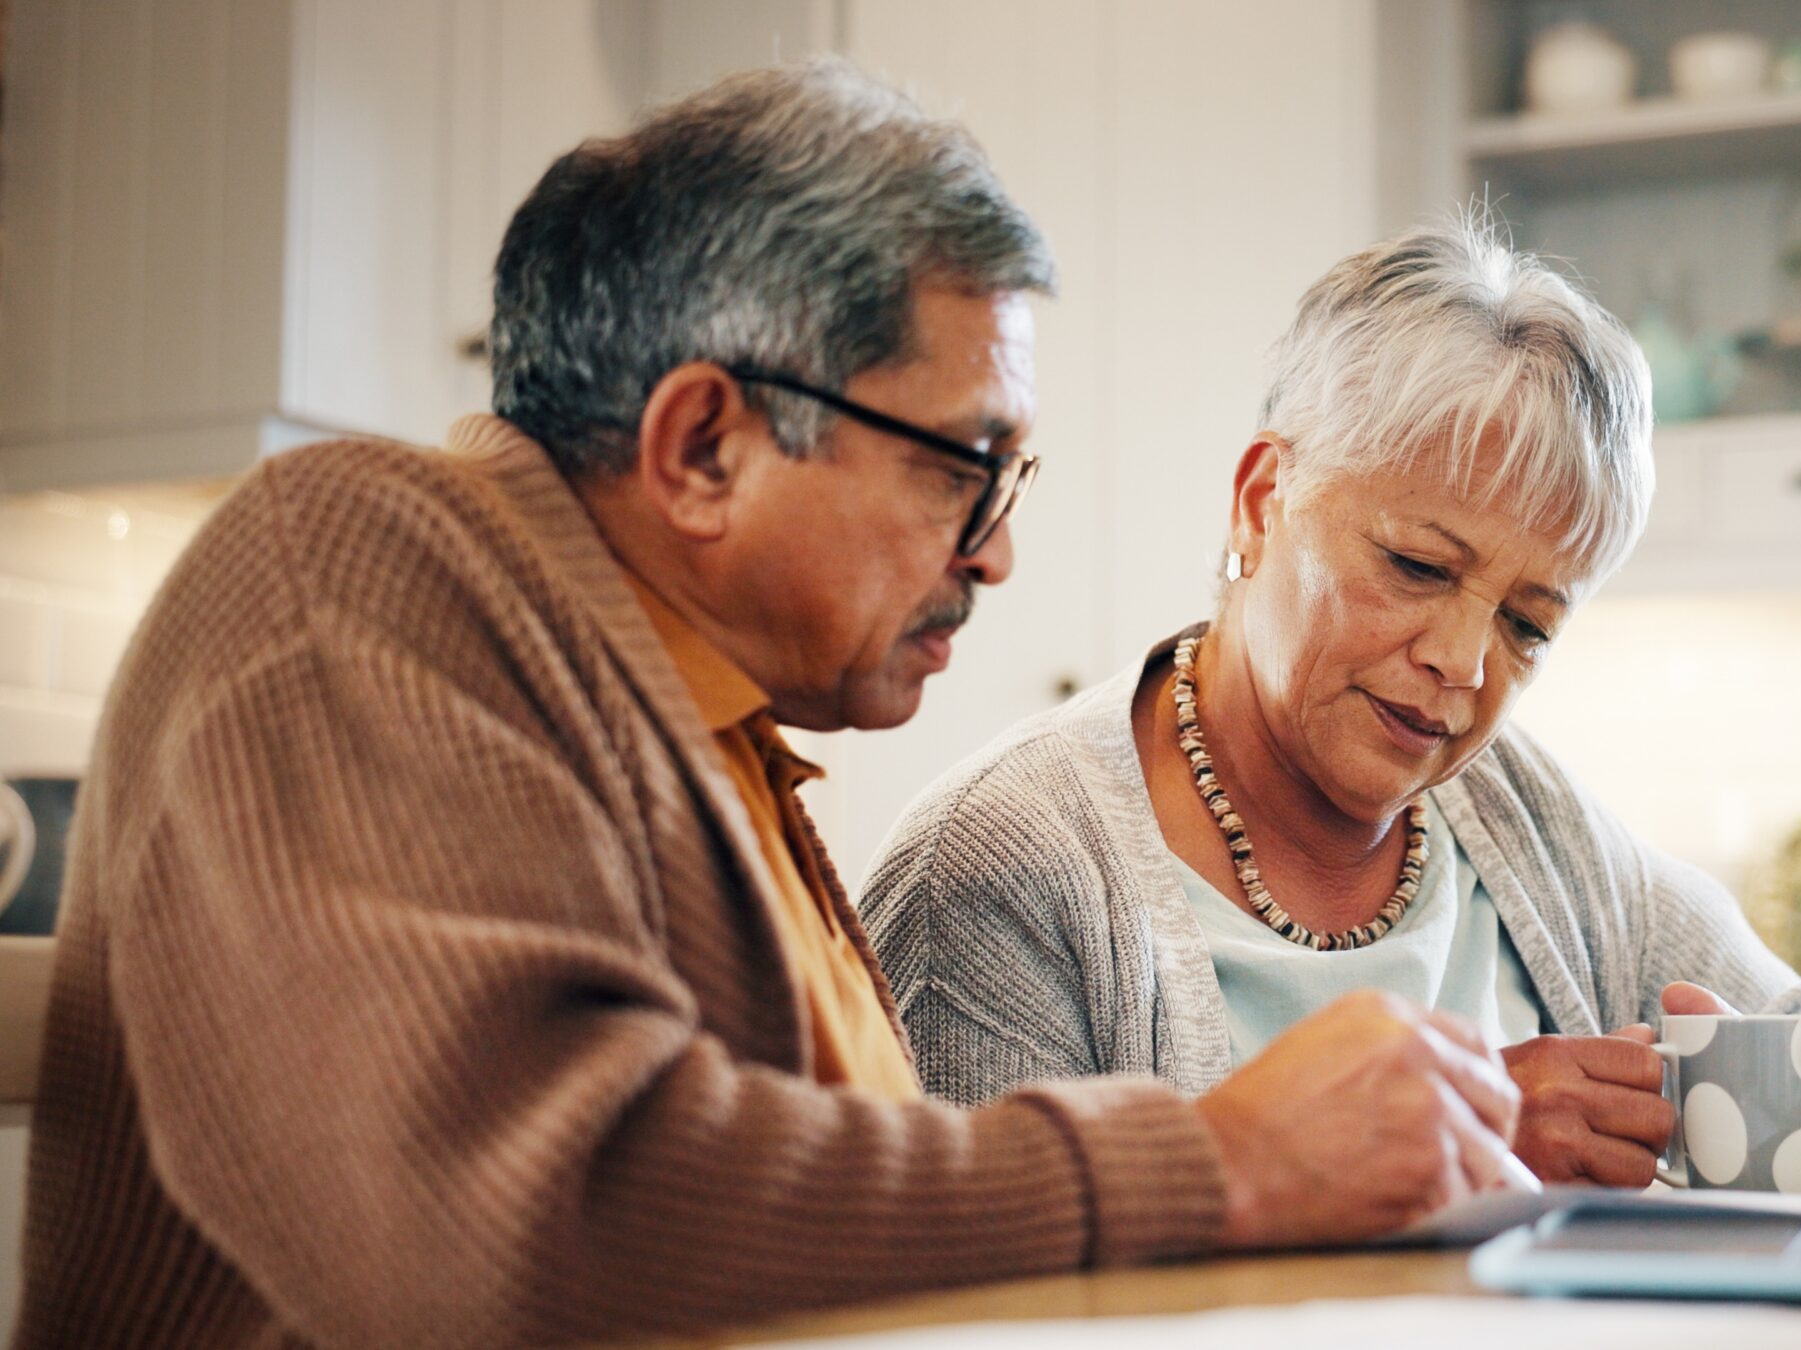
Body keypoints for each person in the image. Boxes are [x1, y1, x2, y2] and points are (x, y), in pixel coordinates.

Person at [11, 60, 1524, 1349]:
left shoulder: (719, 736)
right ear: (703, 447)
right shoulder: (349, 569)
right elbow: (542, 1218)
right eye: (962, 466)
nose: (996, 549)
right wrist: (1219, 1161)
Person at [865, 217, 1801, 1192]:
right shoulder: (997, 870)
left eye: (1527, 623)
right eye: (1419, 568)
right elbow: (985, 1303)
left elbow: (1771, 1020)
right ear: (1260, 502)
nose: (1465, 661)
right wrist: (1457, 1157)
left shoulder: (1520, 817)